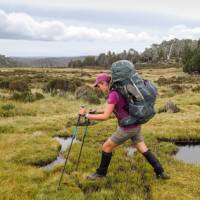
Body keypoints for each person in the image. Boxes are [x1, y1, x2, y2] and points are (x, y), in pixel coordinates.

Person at [79, 72, 169, 180]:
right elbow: (112, 109)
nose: (98, 88)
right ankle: (160, 172)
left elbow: (105, 116)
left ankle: (101, 174)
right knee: (142, 148)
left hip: (127, 129)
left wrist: (87, 115)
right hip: (135, 124)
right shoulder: (119, 91)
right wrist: (94, 112)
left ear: (103, 83)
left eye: (98, 85)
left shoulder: (113, 94)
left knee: (106, 146)